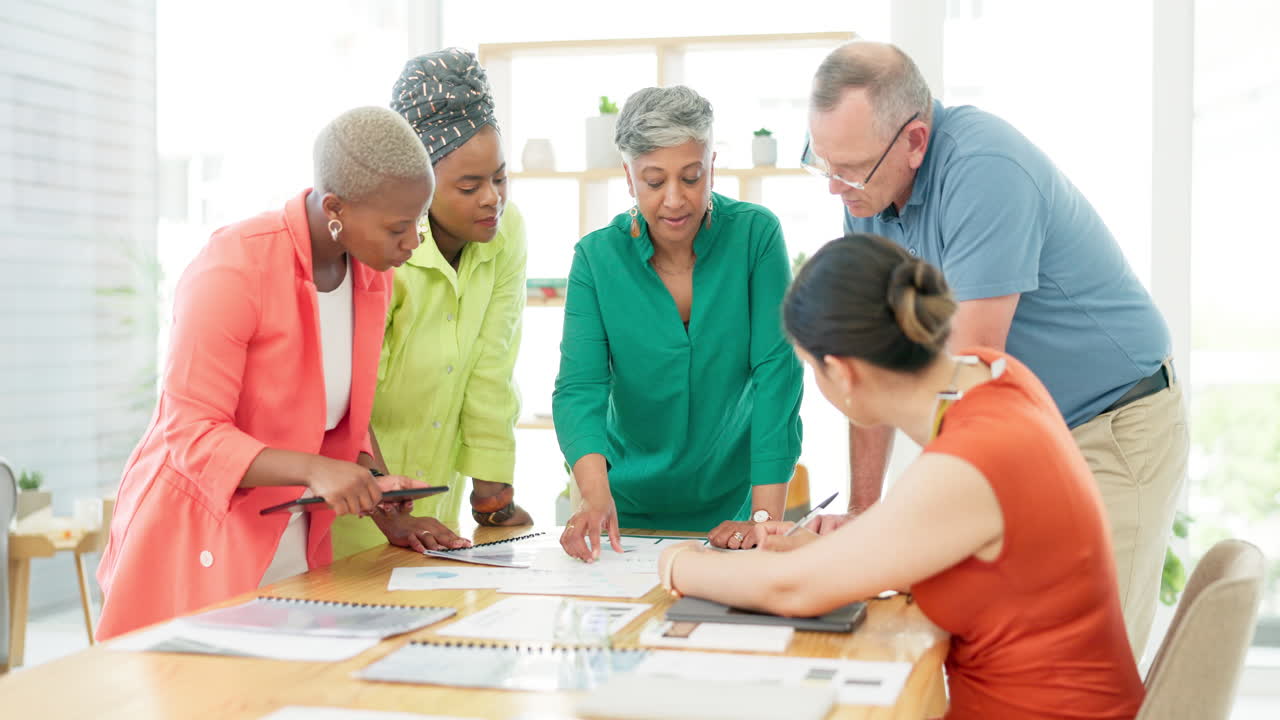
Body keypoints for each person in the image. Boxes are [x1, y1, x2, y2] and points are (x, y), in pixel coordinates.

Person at [658, 233, 1145, 720]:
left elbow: (790, 589)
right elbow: (970, 552)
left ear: (843, 373)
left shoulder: (971, 459)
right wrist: (841, 551)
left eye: (811, 369)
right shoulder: (997, 375)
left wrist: (678, 563)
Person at [802, 40, 1186, 656]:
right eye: (821, 163)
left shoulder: (986, 171)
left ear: (915, 141)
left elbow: (967, 380)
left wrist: (887, 538)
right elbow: (873, 358)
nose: (835, 189)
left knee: (1085, 658)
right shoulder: (865, 196)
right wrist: (864, 510)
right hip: (1027, 434)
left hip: (1109, 424)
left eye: (850, 169)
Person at [96, 107, 437, 639]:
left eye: (419, 221)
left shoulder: (370, 274)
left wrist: (379, 494)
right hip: (194, 541)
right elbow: (192, 433)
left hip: (289, 541)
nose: (413, 241)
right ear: (335, 209)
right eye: (399, 227)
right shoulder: (233, 267)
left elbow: (337, 416)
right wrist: (315, 471)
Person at [553, 86, 803, 561]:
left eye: (691, 177)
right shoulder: (595, 258)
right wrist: (592, 495)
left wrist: (764, 521)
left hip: (732, 512)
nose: (674, 200)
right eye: (653, 181)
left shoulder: (756, 236)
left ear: (712, 165)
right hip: (623, 514)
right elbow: (580, 387)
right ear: (628, 178)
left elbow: (778, 373)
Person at [330, 48, 533, 560]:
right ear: (417, 186)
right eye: (469, 186)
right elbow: (343, 402)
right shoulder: (382, 244)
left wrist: (493, 494)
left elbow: (493, 365)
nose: (493, 199)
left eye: (500, 178)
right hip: (348, 511)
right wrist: (389, 509)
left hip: (432, 514)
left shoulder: (506, 233)